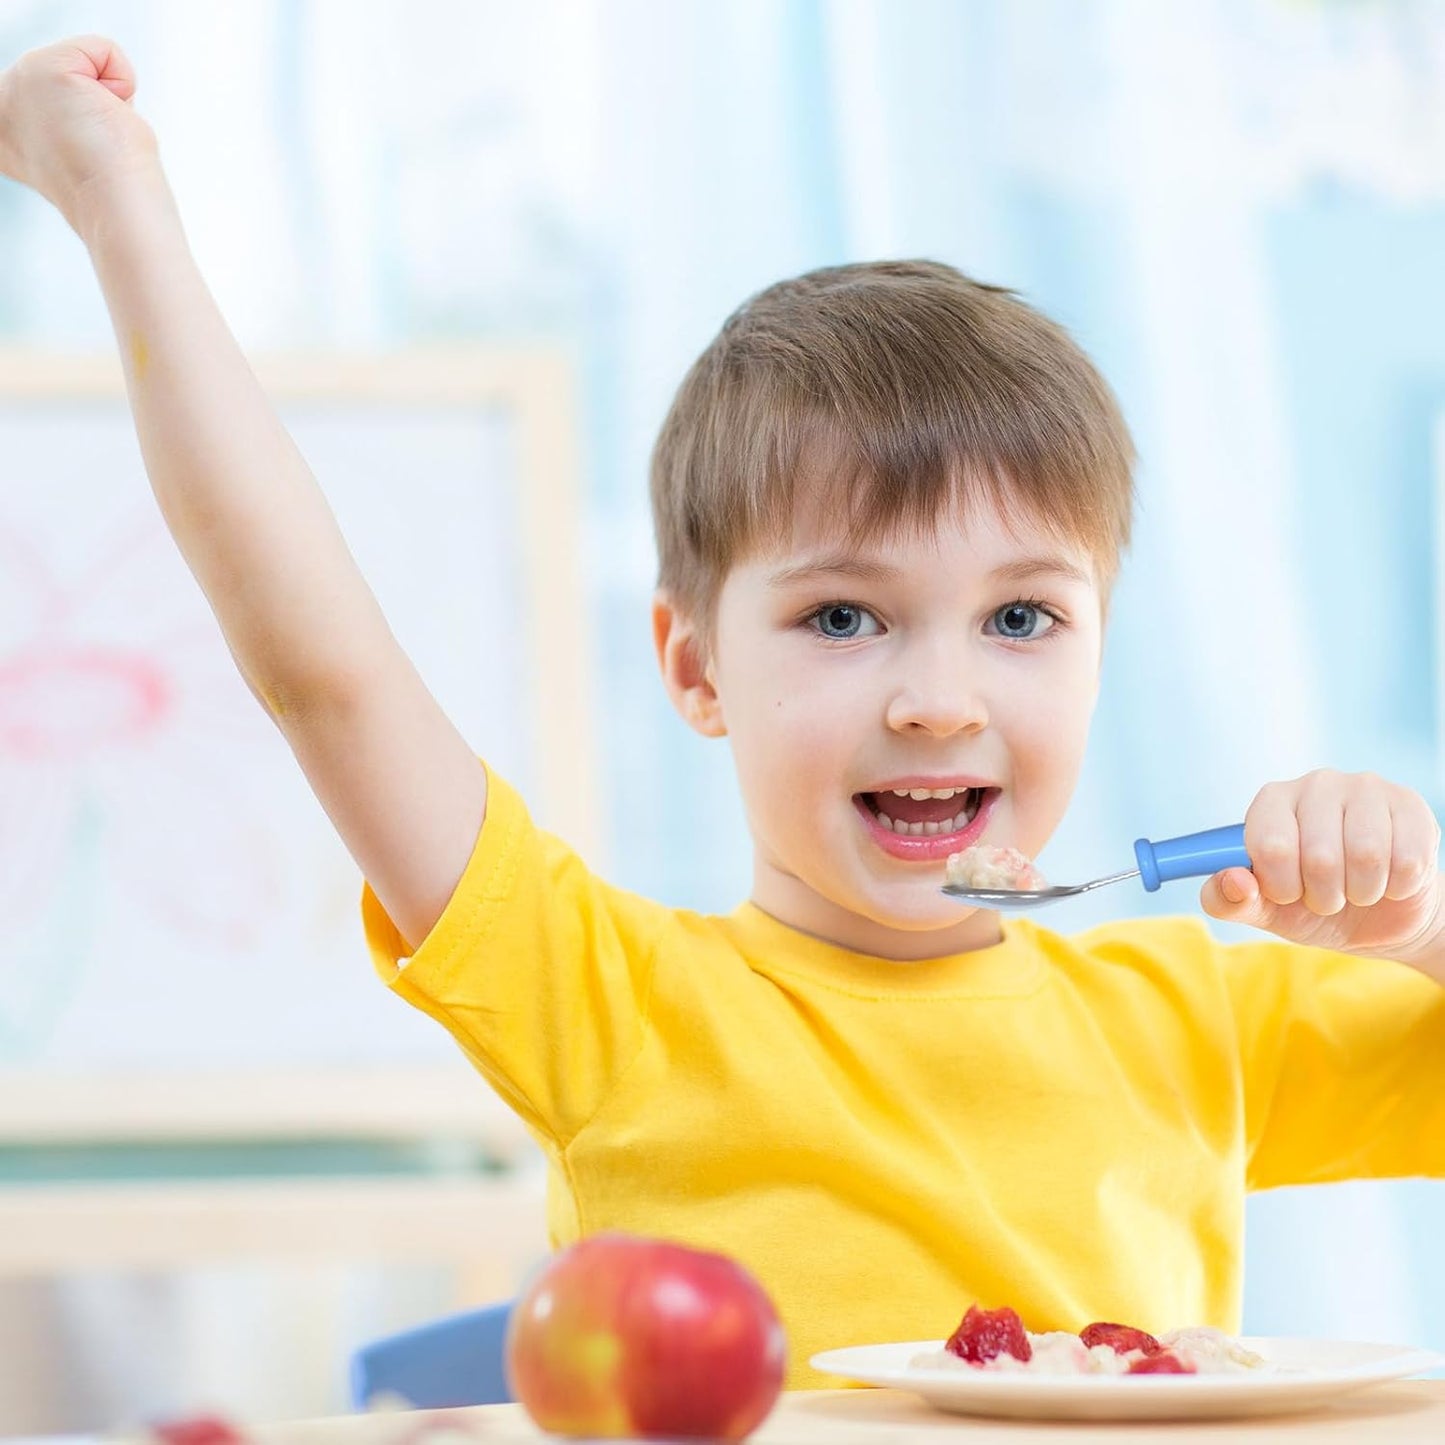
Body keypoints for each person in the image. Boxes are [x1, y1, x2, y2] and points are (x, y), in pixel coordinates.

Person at [2, 36, 1442, 1389]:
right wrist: (118, 207)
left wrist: (1414, 922)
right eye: (840, 617)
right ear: (694, 670)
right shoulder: (610, 1001)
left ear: (1096, 651)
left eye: (1020, 619)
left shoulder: (1194, 1016)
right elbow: (328, 676)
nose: (938, 702)